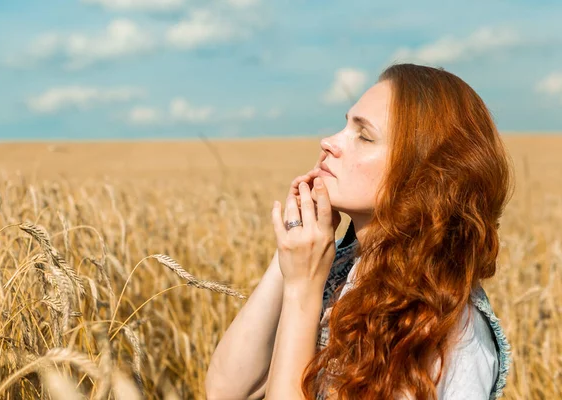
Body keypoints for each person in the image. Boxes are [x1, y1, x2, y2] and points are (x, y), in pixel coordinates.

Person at [205, 63, 514, 399]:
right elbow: (227, 390)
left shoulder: (450, 333)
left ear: (421, 176)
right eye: (345, 125)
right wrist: (296, 248)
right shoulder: (339, 266)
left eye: (364, 135)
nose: (329, 142)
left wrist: (303, 290)